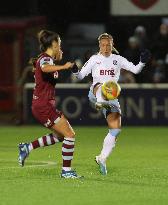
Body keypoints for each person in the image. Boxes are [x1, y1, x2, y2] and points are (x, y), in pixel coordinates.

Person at [72, 33, 151, 175]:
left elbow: (135, 70)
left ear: (112, 45)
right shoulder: (94, 59)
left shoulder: (118, 59)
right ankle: (100, 102)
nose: (106, 47)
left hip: (111, 98)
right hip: (95, 93)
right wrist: (75, 70)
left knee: (115, 130)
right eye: (103, 45)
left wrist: (142, 62)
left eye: (108, 44)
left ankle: (102, 158)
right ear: (99, 46)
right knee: (102, 85)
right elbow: (81, 75)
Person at [18, 29, 82, 179]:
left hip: (43, 106)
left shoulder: (46, 58)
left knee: (61, 136)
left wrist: (61, 63)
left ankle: (27, 147)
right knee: (70, 135)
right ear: (53, 44)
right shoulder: (45, 59)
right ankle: (66, 171)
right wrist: (64, 66)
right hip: (43, 106)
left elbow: (44, 68)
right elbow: (45, 67)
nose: (60, 46)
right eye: (59, 43)